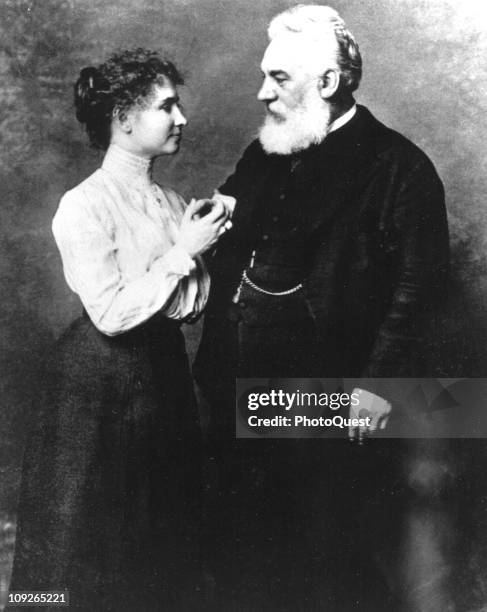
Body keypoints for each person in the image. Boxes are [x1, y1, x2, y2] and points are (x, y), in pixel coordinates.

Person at [194, 5, 449, 610]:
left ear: (328, 83)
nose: (261, 93)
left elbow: (418, 293)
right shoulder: (267, 152)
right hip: (236, 386)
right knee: (239, 548)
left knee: (319, 556)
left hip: (328, 399)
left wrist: (375, 391)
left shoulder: (400, 169)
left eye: (278, 78)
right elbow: (229, 242)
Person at [9, 48, 230, 611]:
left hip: (162, 374)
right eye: (167, 106)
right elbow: (110, 313)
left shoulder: (170, 202)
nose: (181, 118)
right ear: (125, 120)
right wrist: (182, 252)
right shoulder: (83, 204)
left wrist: (204, 243)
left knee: (161, 528)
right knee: (91, 541)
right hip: (96, 382)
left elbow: (184, 311)